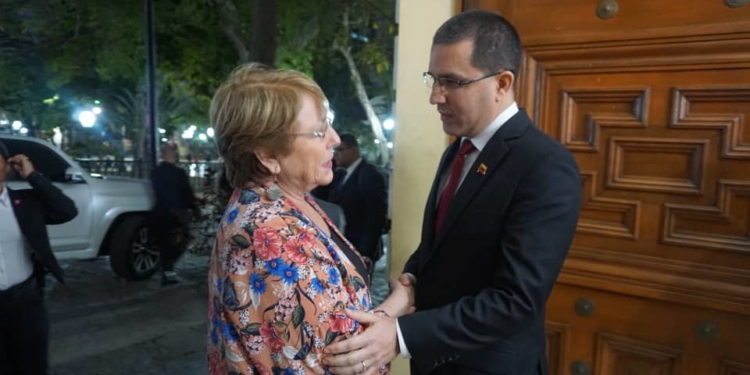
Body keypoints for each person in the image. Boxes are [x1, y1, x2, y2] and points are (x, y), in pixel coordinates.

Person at [322, 10, 582, 375]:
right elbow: (442, 243)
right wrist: (409, 283)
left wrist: (399, 336)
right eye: (433, 78)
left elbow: (515, 301)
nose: (435, 97)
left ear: (502, 83)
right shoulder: (458, 150)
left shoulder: (545, 166)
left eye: (451, 82)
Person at [206, 63, 413, 375]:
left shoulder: (291, 201)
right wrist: (400, 301)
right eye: (318, 131)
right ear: (267, 155)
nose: (334, 139)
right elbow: (342, 359)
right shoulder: (269, 233)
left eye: (328, 125)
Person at [0, 141, 78, 375]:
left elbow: (67, 210)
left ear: (7, 166)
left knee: (32, 367)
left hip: (25, 303)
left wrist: (33, 175)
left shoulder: (25, 202)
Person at [328, 134, 388, 268]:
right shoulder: (339, 175)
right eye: (334, 151)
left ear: (354, 150)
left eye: (340, 150)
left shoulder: (371, 175)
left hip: (360, 250)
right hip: (341, 246)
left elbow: (376, 217)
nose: (335, 155)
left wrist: (366, 254)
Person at [149, 142, 197, 285]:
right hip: (177, 213)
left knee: (164, 242)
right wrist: (195, 207)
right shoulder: (179, 173)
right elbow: (186, 193)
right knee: (181, 241)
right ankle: (168, 269)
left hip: (160, 211)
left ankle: (166, 270)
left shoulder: (155, 172)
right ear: (174, 155)